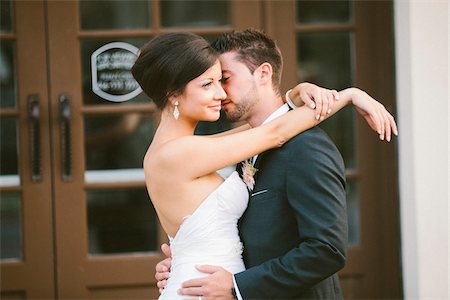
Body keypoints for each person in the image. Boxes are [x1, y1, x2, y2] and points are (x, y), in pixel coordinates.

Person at [134, 30, 397, 300]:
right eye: (208, 84)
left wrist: (296, 95)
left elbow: (326, 249)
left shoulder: (303, 148)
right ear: (173, 93)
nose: (220, 93)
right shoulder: (183, 152)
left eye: (223, 80)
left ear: (263, 74)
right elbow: (274, 133)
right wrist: (349, 95)